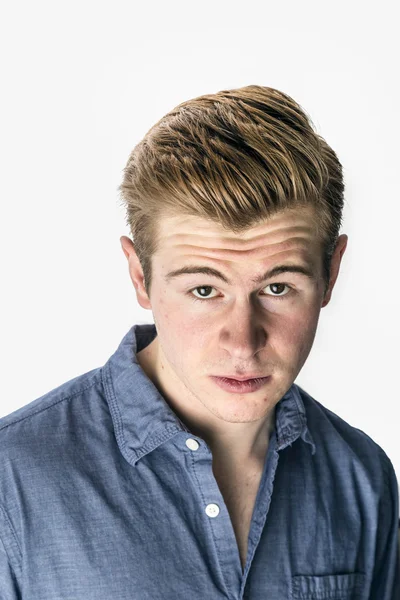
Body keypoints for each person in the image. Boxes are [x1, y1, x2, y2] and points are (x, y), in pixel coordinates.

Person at [0, 85, 398, 599]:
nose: (242, 342)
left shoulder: (361, 477)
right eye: (204, 289)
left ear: (330, 273)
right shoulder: (11, 479)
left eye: (277, 287)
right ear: (140, 277)